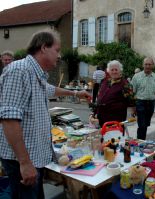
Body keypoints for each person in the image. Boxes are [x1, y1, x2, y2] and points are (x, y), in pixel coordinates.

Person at [0, 29, 91, 198]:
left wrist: (75, 93)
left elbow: (50, 90)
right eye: (57, 50)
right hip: (21, 160)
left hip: (33, 158)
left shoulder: (37, 74)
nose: (59, 55)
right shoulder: (19, 70)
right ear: (43, 48)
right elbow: (9, 120)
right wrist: (25, 163)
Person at [95, 60, 135, 127]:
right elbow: (99, 98)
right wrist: (94, 113)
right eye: (112, 70)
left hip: (116, 120)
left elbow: (132, 101)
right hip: (101, 119)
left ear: (120, 71)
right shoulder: (105, 82)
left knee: (113, 137)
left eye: (116, 69)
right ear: (108, 71)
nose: (114, 72)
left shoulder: (125, 84)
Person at [131, 57, 155, 140]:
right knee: (142, 125)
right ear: (143, 65)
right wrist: (133, 108)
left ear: (152, 65)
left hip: (151, 104)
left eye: (149, 64)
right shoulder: (136, 77)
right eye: (146, 64)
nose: (147, 66)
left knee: (146, 124)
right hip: (140, 103)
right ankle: (140, 142)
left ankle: (141, 141)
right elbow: (132, 93)